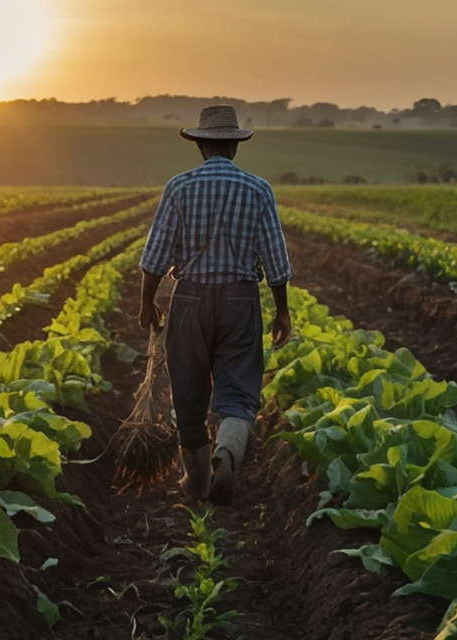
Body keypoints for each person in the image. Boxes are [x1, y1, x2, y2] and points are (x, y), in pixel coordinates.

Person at [138, 104, 294, 506]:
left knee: (188, 391)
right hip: (240, 299)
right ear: (235, 147)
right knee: (239, 390)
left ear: (202, 145)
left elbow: (156, 255)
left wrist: (146, 302)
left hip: (189, 298)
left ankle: (197, 482)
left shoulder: (179, 187)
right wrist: (282, 311)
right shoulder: (258, 189)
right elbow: (275, 260)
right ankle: (228, 452)